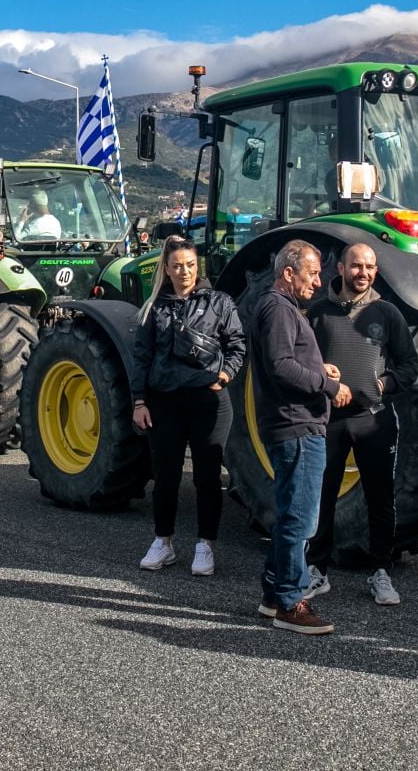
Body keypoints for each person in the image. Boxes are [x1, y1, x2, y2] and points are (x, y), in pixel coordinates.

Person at [129, 234, 247, 578]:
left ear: (199, 266)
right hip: (164, 402)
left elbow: (237, 344)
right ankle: (162, 542)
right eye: (178, 266)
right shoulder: (153, 308)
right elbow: (142, 357)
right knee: (165, 476)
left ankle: (205, 545)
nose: (185, 272)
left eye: (191, 265)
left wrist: (224, 376)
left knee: (207, 476)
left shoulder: (219, 302)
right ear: (165, 268)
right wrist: (139, 401)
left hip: (209, 401)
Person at [307, 242, 418, 606]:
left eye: (370, 267)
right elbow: (302, 360)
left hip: (373, 420)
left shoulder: (387, 313)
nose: (364, 273)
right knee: (321, 496)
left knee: (380, 497)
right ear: (340, 268)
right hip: (328, 421)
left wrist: (380, 385)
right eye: (357, 266)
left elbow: (408, 367)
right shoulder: (318, 313)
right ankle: (316, 569)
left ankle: (380, 570)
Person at [250, 239, 339, 634]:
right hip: (296, 426)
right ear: (289, 273)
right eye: (314, 273)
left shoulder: (280, 309)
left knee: (292, 514)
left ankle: (273, 596)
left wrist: (321, 367)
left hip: (296, 424)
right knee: (300, 521)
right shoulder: (277, 308)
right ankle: (290, 602)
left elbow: (288, 360)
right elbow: (281, 366)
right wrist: (327, 385)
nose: (318, 282)